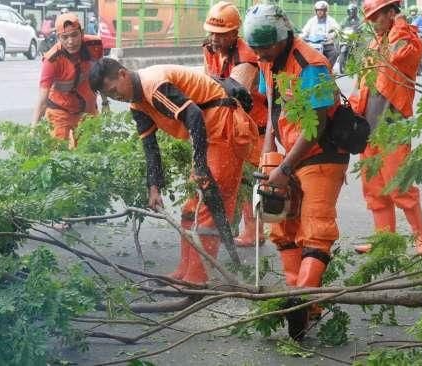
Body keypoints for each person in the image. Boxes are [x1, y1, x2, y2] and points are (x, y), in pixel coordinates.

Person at [88, 59, 259, 285]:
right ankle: (185, 270)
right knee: (190, 210)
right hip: (207, 135)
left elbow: (194, 115)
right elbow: (150, 147)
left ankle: (198, 276)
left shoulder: (155, 86)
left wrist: (199, 164)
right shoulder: (138, 105)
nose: (116, 97)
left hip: (223, 129)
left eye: (114, 90)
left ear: (122, 74)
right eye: (109, 96)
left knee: (207, 208)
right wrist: (154, 187)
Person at [244, 3, 349, 340]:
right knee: (281, 225)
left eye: (266, 47)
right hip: (289, 150)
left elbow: (316, 125)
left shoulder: (312, 66)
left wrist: (285, 169)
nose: (261, 53)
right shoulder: (267, 61)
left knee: (316, 228)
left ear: (285, 36)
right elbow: (273, 109)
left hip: (322, 153)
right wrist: (268, 157)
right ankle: (299, 302)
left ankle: (302, 298)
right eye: (256, 48)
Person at [348, 0, 422, 256]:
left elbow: (399, 55)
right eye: (370, 18)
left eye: (377, 16)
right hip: (369, 131)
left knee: (400, 187)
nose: (372, 22)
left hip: (394, 129)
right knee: (375, 191)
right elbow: (361, 86)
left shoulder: (409, 40)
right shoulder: (374, 44)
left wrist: (400, 22)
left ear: (392, 13)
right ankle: (385, 243)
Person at [202, 1, 268, 247]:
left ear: (234, 33)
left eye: (220, 34)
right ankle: (246, 231)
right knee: (238, 181)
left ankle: (258, 232)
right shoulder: (209, 49)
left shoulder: (247, 57)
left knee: (253, 180)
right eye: (211, 33)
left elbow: (232, 91)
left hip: (254, 128)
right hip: (229, 126)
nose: (214, 39)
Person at [31, 13, 104, 145]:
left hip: (88, 109)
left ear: (81, 33)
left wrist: (105, 103)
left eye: (74, 35)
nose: (71, 41)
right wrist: (33, 131)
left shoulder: (95, 45)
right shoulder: (51, 60)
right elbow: (42, 100)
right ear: (58, 37)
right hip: (60, 110)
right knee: (57, 154)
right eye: (65, 37)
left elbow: (101, 76)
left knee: (92, 150)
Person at [301, 1, 340, 66]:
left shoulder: (331, 20)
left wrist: (331, 35)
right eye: (318, 10)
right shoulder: (312, 20)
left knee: (334, 53)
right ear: (315, 11)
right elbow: (305, 31)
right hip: (312, 44)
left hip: (326, 45)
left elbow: (337, 29)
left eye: (321, 10)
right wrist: (301, 36)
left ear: (326, 11)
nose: (319, 12)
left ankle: (328, 68)